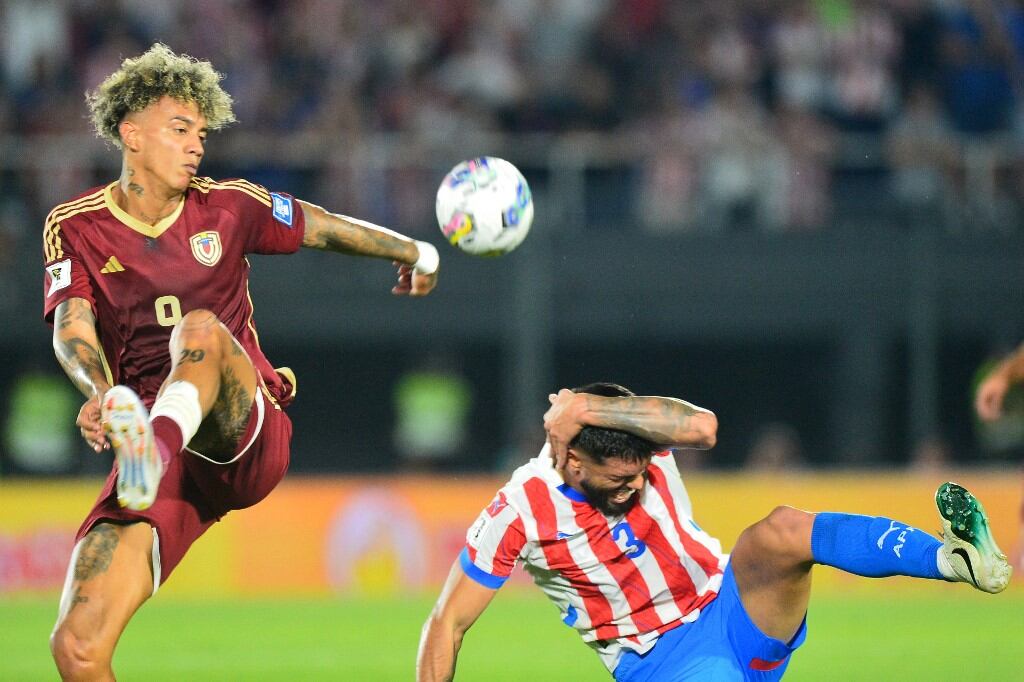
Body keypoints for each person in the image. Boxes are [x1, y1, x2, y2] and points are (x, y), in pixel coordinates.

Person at [43, 44, 439, 680]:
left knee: (201, 328)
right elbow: (72, 325)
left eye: (201, 133)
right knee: (77, 647)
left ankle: (154, 443)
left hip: (240, 432)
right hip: (159, 463)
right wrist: (97, 389)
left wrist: (414, 250)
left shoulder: (227, 205)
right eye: (180, 130)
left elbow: (320, 224)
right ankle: (149, 444)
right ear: (131, 133)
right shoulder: (76, 226)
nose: (197, 145)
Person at [417, 383, 1012, 681]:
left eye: (640, 474)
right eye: (617, 479)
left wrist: (586, 409)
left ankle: (957, 560)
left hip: (732, 603)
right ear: (573, 462)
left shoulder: (640, 433)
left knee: (781, 530)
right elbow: (448, 621)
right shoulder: (520, 508)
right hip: (661, 659)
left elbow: (702, 427)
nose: (631, 487)